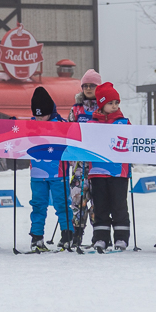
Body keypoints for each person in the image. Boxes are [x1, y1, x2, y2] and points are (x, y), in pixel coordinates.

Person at [27, 87, 72, 252]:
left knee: (62, 204)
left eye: (43, 115)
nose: (40, 119)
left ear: (50, 111)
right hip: (37, 175)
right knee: (38, 205)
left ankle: (67, 236)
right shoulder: (30, 125)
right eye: (37, 115)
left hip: (58, 173)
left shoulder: (61, 125)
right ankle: (36, 237)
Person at [88, 82, 132, 252]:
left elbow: (133, 142)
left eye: (116, 103)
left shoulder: (124, 122)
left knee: (119, 204)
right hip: (97, 172)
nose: (114, 106)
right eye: (110, 103)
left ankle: (121, 237)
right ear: (101, 104)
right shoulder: (91, 125)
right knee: (100, 205)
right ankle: (101, 237)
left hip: (119, 171)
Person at [68, 68, 101, 247]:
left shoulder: (104, 107)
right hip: (79, 163)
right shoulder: (77, 109)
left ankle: (99, 235)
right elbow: (68, 131)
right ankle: (77, 235)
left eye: (92, 85)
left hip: (97, 162)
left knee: (97, 199)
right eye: (85, 85)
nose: (88, 88)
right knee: (78, 198)